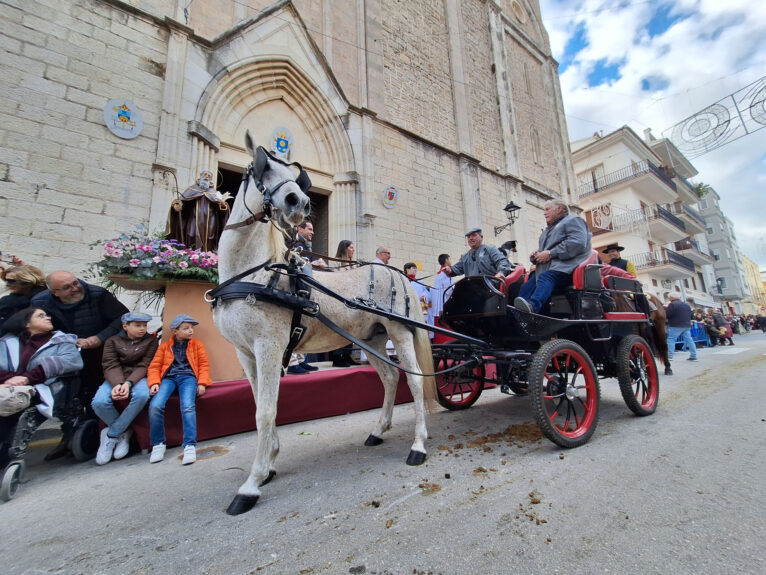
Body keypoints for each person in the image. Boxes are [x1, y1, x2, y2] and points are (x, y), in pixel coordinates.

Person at [31, 271, 129, 460]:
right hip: (66, 357)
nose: (75, 288)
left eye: (75, 283)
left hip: (99, 354)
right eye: (67, 287)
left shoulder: (98, 295)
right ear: (54, 293)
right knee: (68, 398)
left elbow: (122, 318)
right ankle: (70, 437)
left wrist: (98, 338)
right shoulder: (41, 303)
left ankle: (100, 435)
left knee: (95, 394)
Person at [0, 308, 83, 467]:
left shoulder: (62, 341)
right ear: (27, 323)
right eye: (41, 316)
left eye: (47, 314)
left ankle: (7, 453)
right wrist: (11, 379)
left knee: (10, 409)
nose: (48, 317)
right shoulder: (7, 342)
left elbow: (70, 362)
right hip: (9, 389)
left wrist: (26, 378)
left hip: (46, 389)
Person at [92, 312, 158, 465]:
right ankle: (123, 432)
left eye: (144, 325)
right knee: (99, 402)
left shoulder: (151, 341)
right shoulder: (112, 341)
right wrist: (118, 384)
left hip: (139, 377)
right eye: (137, 325)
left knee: (142, 395)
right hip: (115, 377)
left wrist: (128, 384)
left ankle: (112, 433)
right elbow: (110, 364)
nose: (142, 329)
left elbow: (145, 364)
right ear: (125, 326)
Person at [147, 314, 212, 465]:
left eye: (191, 328)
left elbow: (203, 365)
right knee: (155, 405)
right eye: (186, 328)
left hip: (188, 377)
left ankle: (189, 445)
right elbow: (154, 366)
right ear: (175, 331)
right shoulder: (164, 346)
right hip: (168, 379)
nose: (191, 331)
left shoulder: (197, 345)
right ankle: (158, 443)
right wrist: (154, 383)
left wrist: (202, 383)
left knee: (188, 406)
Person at [514, 200, 592, 314]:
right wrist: (536, 256)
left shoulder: (573, 220)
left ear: (559, 209)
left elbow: (578, 242)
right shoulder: (548, 230)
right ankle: (519, 314)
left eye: (547, 209)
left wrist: (551, 253)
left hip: (568, 268)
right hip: (550, 268)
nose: (544, 213)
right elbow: (545, 251)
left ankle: (533, 307)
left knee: (546, 277)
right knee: (526, 286)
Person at [165, 168, 232, 252]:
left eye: (209, 176)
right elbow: (182, 202)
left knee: (210, 237)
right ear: (200, 176)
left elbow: (221, 211)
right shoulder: (192, 189)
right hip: (194, 218)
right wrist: (177, 205)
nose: (207, 177)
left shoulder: (214, 193)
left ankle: (206, 258)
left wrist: (223, 205)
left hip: (210, 220)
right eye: (205, 174)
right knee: (192, 234)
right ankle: (192, 256)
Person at [444, 228, 511, 279]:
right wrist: (450, 270)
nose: (470, 238)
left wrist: (500, 272)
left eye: (473, 235)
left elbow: (502, 261)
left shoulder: (490, 249)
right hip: (474, 290)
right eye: (468, 237)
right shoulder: (465, 257)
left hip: (492, 288)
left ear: (481, 237)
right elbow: (457, 268)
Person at [0, 265, 47, 331]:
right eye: (6, 280)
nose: (7, 284)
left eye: (11, 281)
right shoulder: (8, 301)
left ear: (26, 282)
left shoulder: (43, 299)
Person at [665, 293, 698, 361]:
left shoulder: (672, 304)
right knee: (689, 340)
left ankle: (670, 356)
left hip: (675, 325)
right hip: (686, 325)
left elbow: (667, 314)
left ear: (671, 298)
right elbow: (690, 314)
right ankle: (693, 356)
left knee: (671, 340)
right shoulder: (686, 305)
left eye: (669, 298)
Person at [431, 254, 453, 322]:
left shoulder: (440, 274)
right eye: (450, 259)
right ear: (446, 260)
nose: (451, 261)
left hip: (438, 308)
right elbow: (449, 291)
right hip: (443, 308)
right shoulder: (446, 273)